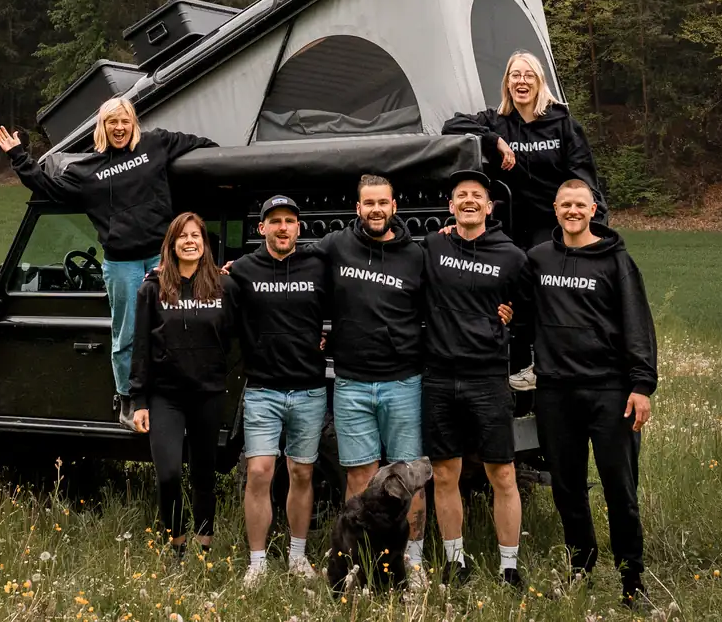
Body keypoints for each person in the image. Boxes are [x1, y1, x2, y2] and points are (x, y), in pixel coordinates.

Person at [0, 98, 217, 427]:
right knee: (127, 333)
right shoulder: (86, 171)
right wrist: (18, 156)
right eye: (112, 122)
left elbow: (201, 146)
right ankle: (128, 400)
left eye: (124, 121)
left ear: (133, 123)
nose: (119, 127)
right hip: (122, 263)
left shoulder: (156, 144)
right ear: (102, 127)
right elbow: (47, 186)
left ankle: (174, 395)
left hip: (162, 258)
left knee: (177, 326)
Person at [520, 179, 658, 608]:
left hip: (610, 392)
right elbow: (516, 304)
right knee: (568, 489)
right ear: (555, 209)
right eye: (566, 204)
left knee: (620, 489)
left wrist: (641, 385)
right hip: (555, 391)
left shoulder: (617, 261)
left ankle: (632, 581)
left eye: (580, 204)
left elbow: (637, 323)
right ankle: (580, 568)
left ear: (593, 209)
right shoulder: (538, 259)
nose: (573, 211)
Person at [303, 175, 433, 583]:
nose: (376, 210)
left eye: (382, 202)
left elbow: (451, 296)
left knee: (410, 480)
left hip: (403, 381)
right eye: (368, 203)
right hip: (352, 382)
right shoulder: (336, 245)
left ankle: (412, 561)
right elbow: (290, 261)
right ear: (357, 208)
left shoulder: (416, 254)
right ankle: (355, 562)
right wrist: (233, 269)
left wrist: (500, 308)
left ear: (394, 206)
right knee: (360, 476)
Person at [419, 171, 530, 587]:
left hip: (487, 377)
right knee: (445, 473)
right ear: (451, 207)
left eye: (477, 195)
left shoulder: (512, 256)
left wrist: (511, 320)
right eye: (461, 195)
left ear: (489, 206)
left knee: (502, 473)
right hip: (439, 376)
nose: (469, 200)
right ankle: (455, 562)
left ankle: (509, 568)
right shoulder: (433, 246)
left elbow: (531, 308)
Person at [226, 196, 331, 586]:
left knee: (302, 473)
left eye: (289, 221)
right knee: (259, 472)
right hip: (262, 389)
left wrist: (331, 338)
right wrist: (160, 274)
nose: (283, 227)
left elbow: (352, 302)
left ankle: (297, 556)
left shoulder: (318, 265)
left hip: (309, 388)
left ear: (298, 228)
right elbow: (204, 285)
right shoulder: (242, 269)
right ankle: (257, 562)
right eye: (275, 221)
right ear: (262, 228)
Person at [129, 212, 232, 557]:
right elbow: (141, 346)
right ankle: (177, 545)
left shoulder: (223, 286)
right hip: (165, 397)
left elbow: (236, 336)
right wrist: (139, 400)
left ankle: (204, 548)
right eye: (182, 236)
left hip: (208, 394)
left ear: (205, 243)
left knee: (204, 474)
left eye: (196, 236)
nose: (190, 241)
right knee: (169, 473)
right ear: (171, 244)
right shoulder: (152, 288)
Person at [440, 51, 608, 247]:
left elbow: (584, 182)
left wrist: (596, 228)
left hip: (553, 224)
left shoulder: (563, 124)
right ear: (507, 83)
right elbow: (451, 125)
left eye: (529, 76)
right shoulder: (495, 121)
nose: (522, 81)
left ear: (539, 83)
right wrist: (495, 140)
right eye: (516, 75)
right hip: (508, 226)